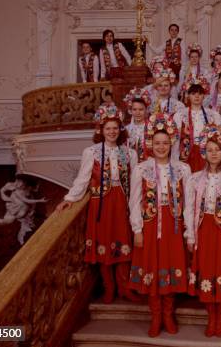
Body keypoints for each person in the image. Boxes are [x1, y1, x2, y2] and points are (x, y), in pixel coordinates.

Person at [55, 102, 140, 304]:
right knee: (104, 246)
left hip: (121, 202)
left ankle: (124, 287)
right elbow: (83, 180)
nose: (112, 132)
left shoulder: (130, 153)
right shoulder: (91, 152)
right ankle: (109, 289)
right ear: (101, 130)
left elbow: (135, 183)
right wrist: (69, 199)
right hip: (101, 204)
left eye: (115, 128)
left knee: (123, 245)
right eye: (108, 128)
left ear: (120, 130)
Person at [128, 113, 191, 337]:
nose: (161, 147)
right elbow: (135, 200)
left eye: (165, 143)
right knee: (152, 269)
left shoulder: (183, 169)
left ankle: (168, 314)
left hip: (174, 226)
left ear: (171, 143)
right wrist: (137, 229)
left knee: (171, 267)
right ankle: (155, 316)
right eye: (157, 143)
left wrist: (188, 230)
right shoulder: (141, 169)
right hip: (150, 224)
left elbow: (189, 203)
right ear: (150, 144)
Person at [184, 124, 221, 337]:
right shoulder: (194, 179)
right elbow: (189, 209)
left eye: (217, 149)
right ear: (204, 153)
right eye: (210, 150)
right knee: (207, 272)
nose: (214, 153)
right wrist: (190, 234)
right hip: (204, 231)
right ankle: (211, 317)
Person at [174, 75, 221, 172]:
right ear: (188, 95)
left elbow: (219, 139)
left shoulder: (213, 115)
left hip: (206, 155)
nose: (196, 96)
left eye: (199, 93)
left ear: (204, 96)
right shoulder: (179, 115)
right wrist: (174, 159)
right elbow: (176, 140)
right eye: (193, 93)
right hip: (186, 154)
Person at [124, 87, 152, 162]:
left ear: (146, 110)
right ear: (130, 110)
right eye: (134, 109)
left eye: (141, 109)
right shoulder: (126, 130)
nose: (138, 113)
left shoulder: (151, 128)